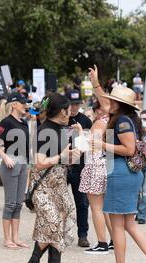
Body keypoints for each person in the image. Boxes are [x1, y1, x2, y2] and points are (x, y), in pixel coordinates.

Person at [94, 86, 146, 263]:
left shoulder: (122, 121)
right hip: (129, 174)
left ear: (120, 104)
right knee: (130, 224)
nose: (109, 103)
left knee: (117, 226)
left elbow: (129, 149)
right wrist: (96, 83)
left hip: (120, 173)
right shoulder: (129, 119)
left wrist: (102, 144)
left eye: (113, 101)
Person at [25, 93, 81, 263]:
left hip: (60, 184)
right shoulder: (44, 131)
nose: (71, 112)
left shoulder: (62, 130)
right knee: (52, 222)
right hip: (44, 186)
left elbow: (67, 159)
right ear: (61, 111)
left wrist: (75, 150)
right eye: (68, 109)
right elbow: (39, 163)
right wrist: (62, 156)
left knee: (62, 222)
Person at [0, 92, 31, 249]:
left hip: (23, 163)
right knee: (10, 203)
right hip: (11, 163)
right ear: (14, 104)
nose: (25, 105)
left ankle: (16, 237)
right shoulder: (6, 122)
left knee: (19, 203)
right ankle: (7, 239)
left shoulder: (24, 123)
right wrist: (4, 157)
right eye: (22, 103)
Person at [79, 65, 113, 254]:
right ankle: (112, 239)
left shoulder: (100, 123)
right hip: (108, 165)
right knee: (105, 208)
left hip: (95, 165)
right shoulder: (118, 121)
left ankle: (101, 243)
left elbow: (88, 147)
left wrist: (79, 134)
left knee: (96, 208)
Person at [66, 89, 93, 248]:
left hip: (79, 167)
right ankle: (58, 232)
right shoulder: (60, 118)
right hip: (61, 165)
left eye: (76, 104)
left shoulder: (85, 121)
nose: (74, 107)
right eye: (71, 104)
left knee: (82, 203)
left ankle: (83, 235)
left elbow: (88, 145)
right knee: (59, 201)